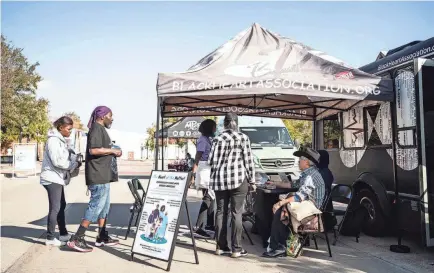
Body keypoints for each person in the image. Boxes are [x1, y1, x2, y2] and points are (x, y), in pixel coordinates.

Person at [67, 106, 122, 252]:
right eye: (110, 116)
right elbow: (94, 150)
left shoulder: (101, 129)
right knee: (96, 206)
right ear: (102, 116)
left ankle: (102, 236)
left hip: (104, 176)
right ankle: (77, 238)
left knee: (104, 207)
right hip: (98, 176)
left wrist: (113, 150)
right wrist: (113, 150)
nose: (112, 119)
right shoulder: (96, 129)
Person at [262, 147, 325, 258]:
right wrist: (274, 183)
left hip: (311, 210)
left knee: (281, 210)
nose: (298, 162)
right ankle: (278, 244)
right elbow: (291, 185)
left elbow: (299, 197)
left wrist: (281, 203)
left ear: (306, 162)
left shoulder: (310, 176)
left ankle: (278, 247)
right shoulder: (307, 174)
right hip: (307, 205)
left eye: (300, 159)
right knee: (283, 208)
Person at [208, 113, 256, 258]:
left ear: (225, 123)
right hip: (238, 180)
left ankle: (221, 247)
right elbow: (249, 161)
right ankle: (236, 249)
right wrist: (252, 181)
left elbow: (211, 160)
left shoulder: (217, 139)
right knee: (237, 213)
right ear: (236, 123)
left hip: (220, 180)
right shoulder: (243, 138)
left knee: (221, 212)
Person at [40, 116, 81, 246]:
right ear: (61, 127)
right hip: (51, 178)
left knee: (61, 205)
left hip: (56, 177)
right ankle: (50, 238)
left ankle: (63, 234)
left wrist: (74, 158)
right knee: (55, 208)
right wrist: (73, 165)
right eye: (69, 129)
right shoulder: (53, 140)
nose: (70, 131)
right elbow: (58, 161)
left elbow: (63, 157)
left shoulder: (60, 140)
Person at [191, 119, 217, 238]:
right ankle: (199, 226)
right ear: (209, 128)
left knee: (211, 198)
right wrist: (193, 172)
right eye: (214, 127)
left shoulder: (207, 139)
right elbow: (198, 156)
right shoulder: (202, 140)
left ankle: (209, 225)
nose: (215, 130)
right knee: (207, 198)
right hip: (205, 171)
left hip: (208, 170)